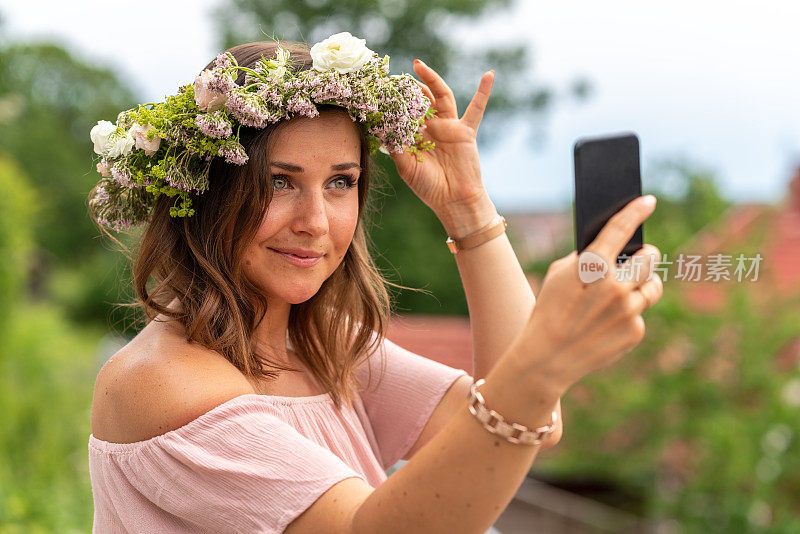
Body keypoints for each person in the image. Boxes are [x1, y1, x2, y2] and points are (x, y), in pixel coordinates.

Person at [86, 32, 663, 534]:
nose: (315, 221)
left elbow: (526, 426)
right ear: (207, 194)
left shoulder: (323, 345)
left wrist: (469, 212)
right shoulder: (161, 386)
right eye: (279, 182)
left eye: (341, 182)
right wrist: (546, 355)